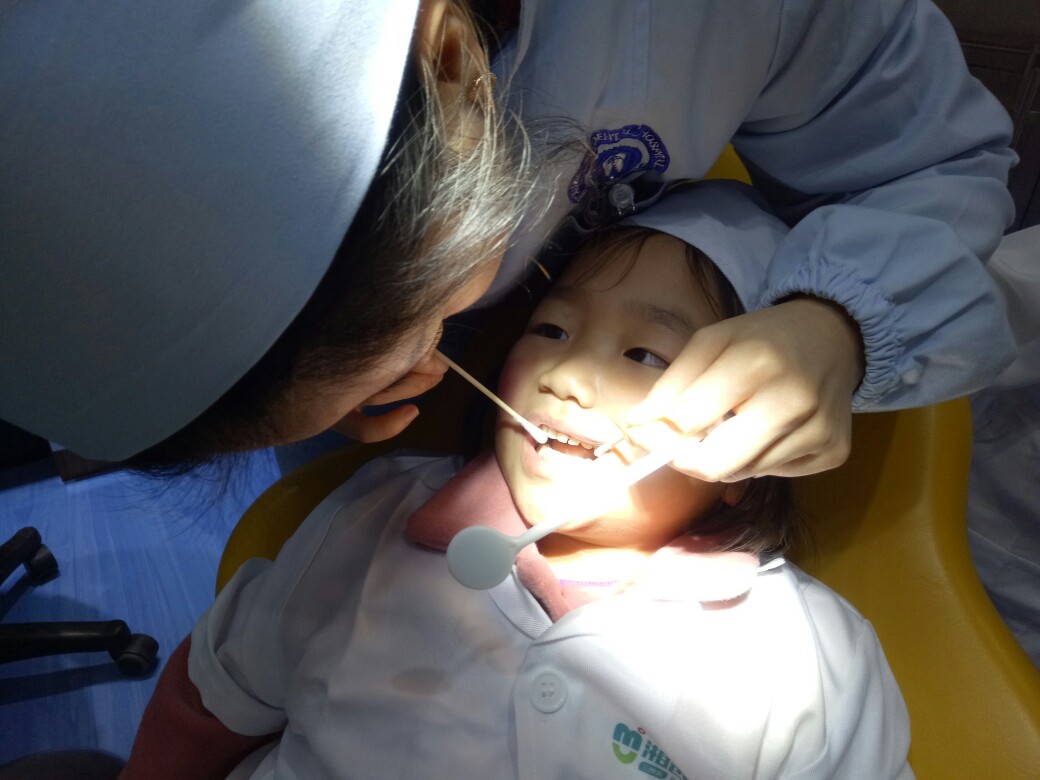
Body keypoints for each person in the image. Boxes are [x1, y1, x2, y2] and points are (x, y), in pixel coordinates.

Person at [0, 2, 1017, 480]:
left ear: (455, 62)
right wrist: (321, 387)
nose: (433, 363)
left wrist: (841, 322)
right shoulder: (340, 568)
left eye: (429, 324)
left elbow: (930, 160)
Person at [120, 182, 913, 779]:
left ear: (750, 454)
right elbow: (215, 697)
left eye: (645, 353)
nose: (566, 376)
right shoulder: (374, 518)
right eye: (552, 329)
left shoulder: (805, 663)